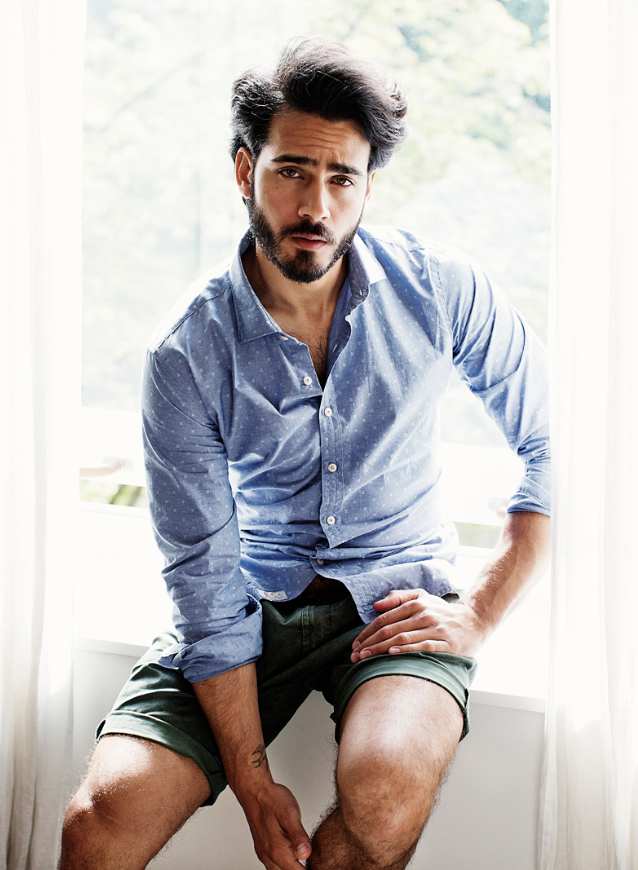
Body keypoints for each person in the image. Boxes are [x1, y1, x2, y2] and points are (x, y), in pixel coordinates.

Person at [60, 36, 551, 870]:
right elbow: (203, 579)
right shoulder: (186, 351)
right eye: (291, 171)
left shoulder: (439, 288)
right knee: (100, 819)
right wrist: (252, 784)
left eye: (341, 178)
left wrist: (480, 611)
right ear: (244, 171)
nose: (316, 205)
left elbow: (556, 441)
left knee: (385, 786)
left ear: (367, 187)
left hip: (397, 599)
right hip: (250, 599)